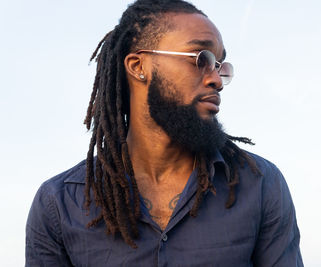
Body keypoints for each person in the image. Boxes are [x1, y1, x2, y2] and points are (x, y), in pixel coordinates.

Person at [25, 0, 303, 266]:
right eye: (200, 58)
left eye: (220, 65)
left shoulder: (260, 185)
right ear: (138, 67)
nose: (216, 79)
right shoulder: (60, 204)